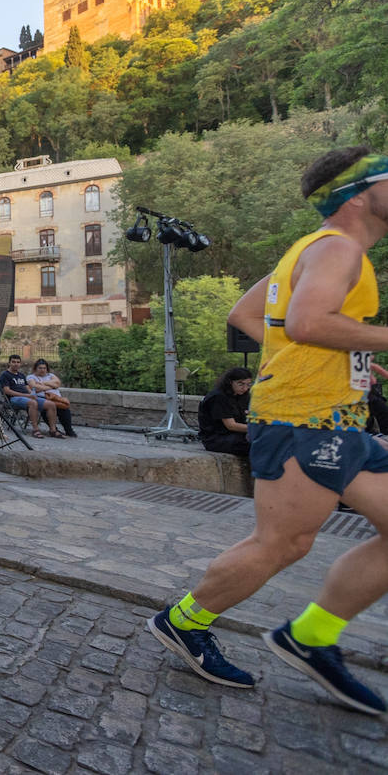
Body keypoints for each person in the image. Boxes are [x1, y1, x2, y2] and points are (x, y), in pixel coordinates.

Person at [148, 146, 388, 716]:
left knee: (292, 541)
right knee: (281, 543)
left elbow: (247, 315)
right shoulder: (337, 249)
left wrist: (343, 354)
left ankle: (312, 635)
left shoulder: (310, 249)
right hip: (303, 419)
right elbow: (306, 322)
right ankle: (185, 621)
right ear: (356, 195)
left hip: (333, 417)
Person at [0, 354, 62, 438]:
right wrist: (26, 395)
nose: (16, 364)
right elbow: (7, 391)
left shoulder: (21, 375)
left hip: (26, 397)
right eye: (13, 362)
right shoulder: (5, 375)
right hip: (13, 399)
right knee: (32, 403)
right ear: (9, 363)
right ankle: (35, 430)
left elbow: (27, 387)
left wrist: (32, 394)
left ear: (20, 364)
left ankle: (53, 430)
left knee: (51, 404)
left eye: (18, 362)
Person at [197, 366, 253, 458]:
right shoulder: (218, 397)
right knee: (258, 445)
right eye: (241, 384)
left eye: (248, 384)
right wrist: (257, 429)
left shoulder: (243, 396)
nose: (245, 388)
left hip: (236, 435)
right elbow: (231, 425)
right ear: (230, 382)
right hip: (216, 438)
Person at [26, 358, 76, 437]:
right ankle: (54, 429)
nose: (42, 370)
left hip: (56, 398)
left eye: (44, 368)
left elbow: (58, 383)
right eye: (40, 368)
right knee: (46, 409)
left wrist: (43, 383)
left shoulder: (51, 375)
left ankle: (68, 430)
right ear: (35, 368)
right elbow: (34, 387)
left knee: (64, 410)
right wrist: (51, 386)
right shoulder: (31, 377)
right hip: (43, 398)